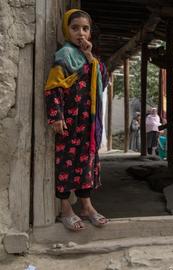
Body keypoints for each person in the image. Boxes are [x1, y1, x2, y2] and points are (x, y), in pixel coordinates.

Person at [44, 9, 109, 231]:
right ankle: (65, 208)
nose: (80, 33)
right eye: (75, 28)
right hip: (70, 121)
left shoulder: (91, 57)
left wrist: (90, 57)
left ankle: (87, 206)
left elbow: (104, 80)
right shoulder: (63, 56)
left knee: (86, 163)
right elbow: (53, 88)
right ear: (66, 30)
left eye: (85, 28)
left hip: (88, 123)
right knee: (66, 163)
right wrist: (56, 115)